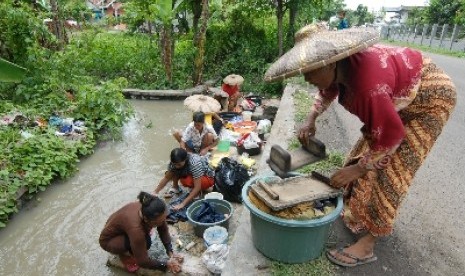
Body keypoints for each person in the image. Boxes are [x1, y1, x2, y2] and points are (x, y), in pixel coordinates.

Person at [264, 24, 456, 267]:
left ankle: (367, 245)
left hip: (431, 97)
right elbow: (327, 89)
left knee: (392, 170)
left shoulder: (368, 87)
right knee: (362, 155)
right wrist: (311, 118)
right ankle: (357, 209)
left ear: (330, 62)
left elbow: (391, 136)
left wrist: (357, 170)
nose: (306, 78)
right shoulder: (339, 66)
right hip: (397, 93)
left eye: (310, 71)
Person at [99, 192, 184, 273]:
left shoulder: (149, 206)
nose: (163, 222)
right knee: (146, 242)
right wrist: (166, 264)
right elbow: (143, 262)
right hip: (109, 241)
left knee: (144, 238)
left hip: (122, 228)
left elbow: (163, 228)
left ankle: (135, 244)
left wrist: (170, 252)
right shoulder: (136, 229)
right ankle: (124, 255)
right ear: (147, 220)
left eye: (164, 218)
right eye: (159, 222)